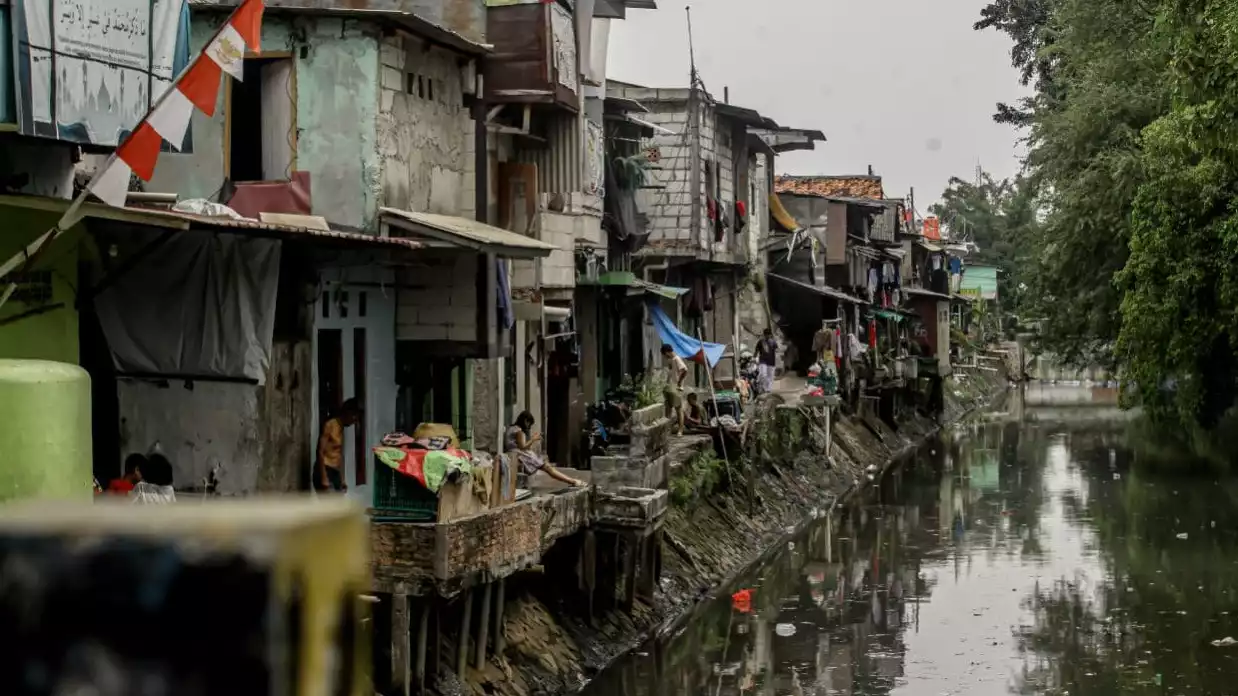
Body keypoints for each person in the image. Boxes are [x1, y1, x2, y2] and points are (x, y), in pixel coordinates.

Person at [504, 411, 585, 486]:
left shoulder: (511, 428)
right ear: (525, 421)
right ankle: (573, 481)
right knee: (548, 468)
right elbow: (522, 447)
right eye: (529, 424)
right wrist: (533, 439)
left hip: (514, 454)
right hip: (521, 456)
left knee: (547, 468)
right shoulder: (519, 431)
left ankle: (572, 481)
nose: (529, 427)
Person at [317, 398, 362, 493]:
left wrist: (342, 479)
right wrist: (323, 477)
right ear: (348, 412)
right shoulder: (330, 425)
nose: (354, 420)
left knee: (340, 501)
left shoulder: (341, 428)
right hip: (326, 469)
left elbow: (338, 455)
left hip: (335, 471)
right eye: (354, 416)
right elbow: (320, 451)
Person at [661, 343, 688, 435]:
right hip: (669, 387)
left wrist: (679, 382)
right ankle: (667, 430)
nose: (665, 357)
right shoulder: (671, 360)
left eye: (664, 355)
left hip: (676, 388)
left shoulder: (677, 359)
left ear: (667, 352)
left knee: (678, 409)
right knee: (668, 409)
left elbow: (685, 370)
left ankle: (680, 430)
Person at [756, 329, 778, 394]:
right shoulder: (760, 342)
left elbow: (777, 350)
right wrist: (753, 358)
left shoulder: (773, 342)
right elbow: (756, 350)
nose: (767, 336)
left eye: (768, 334)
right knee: (763, 374)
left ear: (770, 335)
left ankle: (768, 390)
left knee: (770, 376)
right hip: (763, 361)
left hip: (771, 362)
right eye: (766, 335)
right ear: (764, 335)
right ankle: (764, 388)